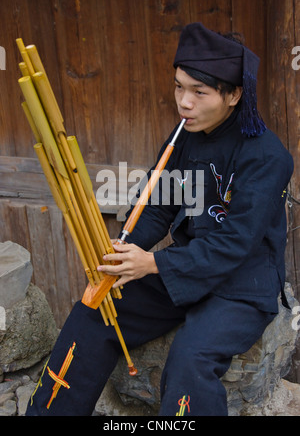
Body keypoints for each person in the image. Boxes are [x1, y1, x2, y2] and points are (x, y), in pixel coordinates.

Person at [26, 22, 293, 416]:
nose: (184, 102)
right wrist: (127, 248)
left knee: (189, 358)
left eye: (199, 92)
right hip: (186, 269)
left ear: (234, 95)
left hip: (240, 283)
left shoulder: (268, 157)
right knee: (97, 311)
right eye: (178, 86)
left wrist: (152, 263)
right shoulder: (187, 134)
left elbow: (235, 244)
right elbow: (158, 203)